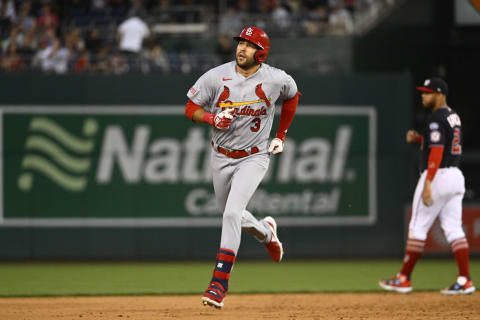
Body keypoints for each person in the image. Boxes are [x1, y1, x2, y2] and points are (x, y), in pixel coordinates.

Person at [185, 26, 300, 309]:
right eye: (240, 43)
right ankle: (266, 233)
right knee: (230, 214)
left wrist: (281, 135)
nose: (241, 48)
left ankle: (219, 283)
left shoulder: (274, 78)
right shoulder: (216, 76)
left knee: (232, 213)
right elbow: (190, 107)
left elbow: (293, 95)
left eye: (249, 45)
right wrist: (212, 119)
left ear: (260, 52)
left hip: (254, 156)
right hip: (220, 156)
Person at [379, 77, 475, 295]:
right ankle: (465, 279)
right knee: (453, 228)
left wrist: (429, 182)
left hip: (437, 175)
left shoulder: (436, 118)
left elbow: (438, 151)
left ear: (440, 94)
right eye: (423, 92)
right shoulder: (453, 116)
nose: (423, 96)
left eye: (428, 92)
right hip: (455, 176)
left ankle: (403, 278)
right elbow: (444, 145)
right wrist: (421, 141)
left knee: (417, 227)